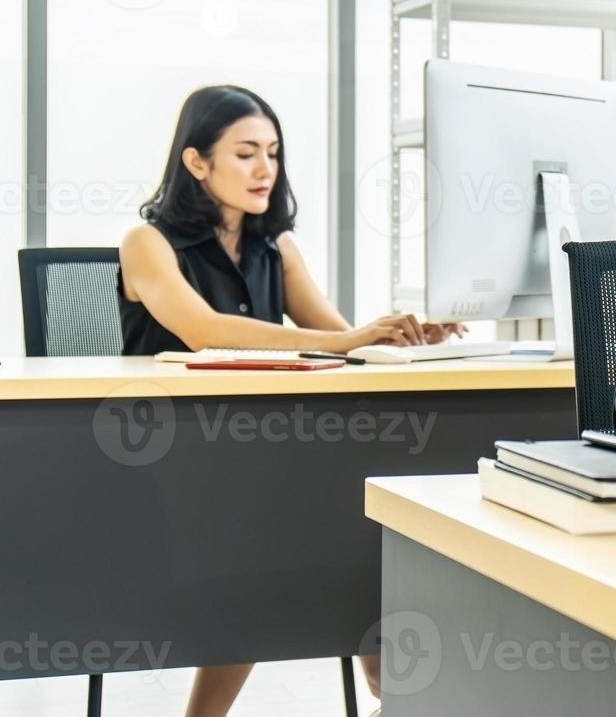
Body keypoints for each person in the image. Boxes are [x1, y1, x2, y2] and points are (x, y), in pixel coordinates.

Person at [118, 84, 462, 717]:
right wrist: (348, 336)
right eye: (246, 153)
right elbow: (205, 330)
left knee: (368, 510)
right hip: (172, 455)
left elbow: (339, 342)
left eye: (273, 154)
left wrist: (401, 339)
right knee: (281, 529)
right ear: (196, 162)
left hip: (257, 451)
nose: (264, 170)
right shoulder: (148, 244)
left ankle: (383, 664)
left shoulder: (276, 248)